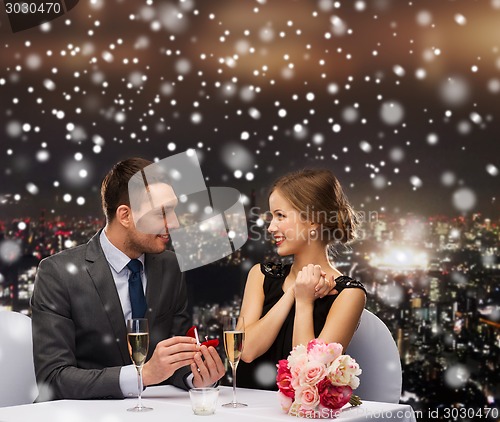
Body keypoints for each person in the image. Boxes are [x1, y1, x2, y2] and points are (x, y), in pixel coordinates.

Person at [31, 157, 225, 400]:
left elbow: (174, 360)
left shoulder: (170, 266)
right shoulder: (57, 273)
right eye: (162, 213)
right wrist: (141, 376)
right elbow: (53, 378)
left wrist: (195, 376)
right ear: (125, 215)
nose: (174, 223)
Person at [238, 168, 367, 389]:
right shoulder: (260, 275)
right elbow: (246, 351)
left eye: (280, 216)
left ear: (313, 220)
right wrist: (293, 293)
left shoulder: (349, 295)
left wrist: (305, 303)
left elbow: (309, 378)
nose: (270, 227)